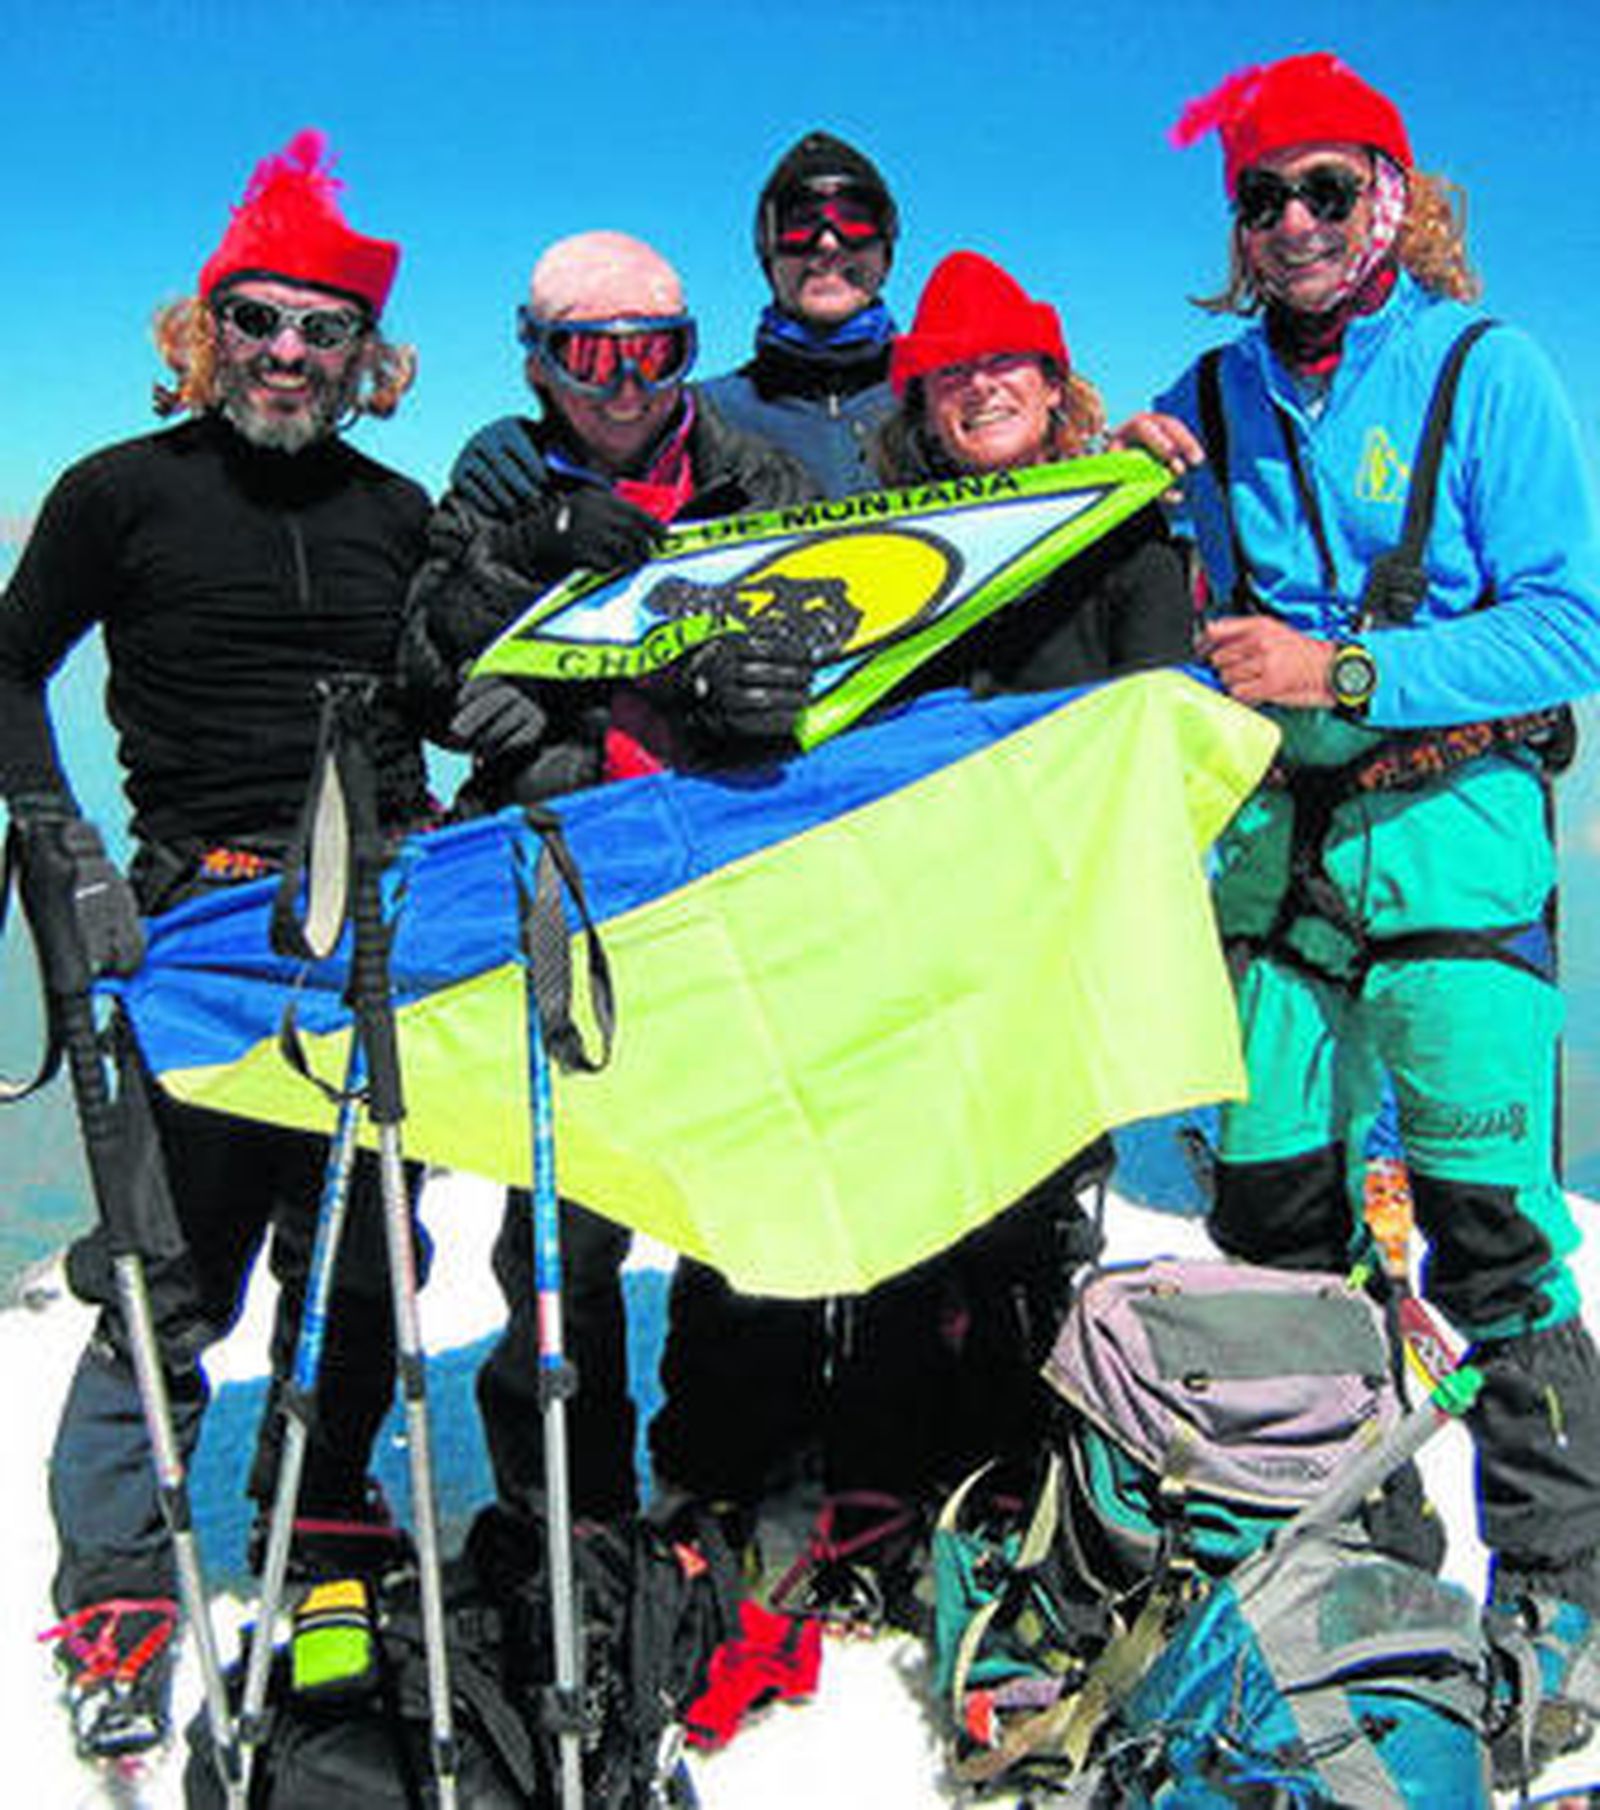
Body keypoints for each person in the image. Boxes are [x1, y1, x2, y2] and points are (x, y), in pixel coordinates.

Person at [1121, 51, 1600, 1782]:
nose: (1299, 222)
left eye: (1333, 187)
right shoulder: (1205, 396)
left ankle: (1560, 1591)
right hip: (1277, 865)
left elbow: (1570, 624)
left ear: (1395, 200)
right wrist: (1124, 480)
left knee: (1491, 1236)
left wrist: (1343, 670)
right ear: (1238, 227)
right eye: (1266, 196)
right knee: (1276, 1230)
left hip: (1455, 846)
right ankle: (1359, 1548)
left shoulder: (1487, 369)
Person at [648, 251, 1195, 1559]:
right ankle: (879, 1489)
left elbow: (1167, 732)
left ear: (1055, 384)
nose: (981, 385)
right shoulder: (886, 551)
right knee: (902, 1208)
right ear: (922, 400)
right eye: (953, 370)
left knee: (1025, 1218)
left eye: (1008, 362)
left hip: (1052, 928)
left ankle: (1001, 1478)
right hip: (906, 926)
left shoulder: (1128, 534)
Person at [0, 130, 433, 1761]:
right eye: (257, 319)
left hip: (381, 911)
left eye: (324, 329)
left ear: (363, 354)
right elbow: (7, 663)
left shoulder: (398, 512)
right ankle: (119, 1586)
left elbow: (445, 692)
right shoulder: (120, 493)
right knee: (168, 1270)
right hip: (199, 919)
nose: (287, 353)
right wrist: (60, 838)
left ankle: (320, 1517)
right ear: (208, 329)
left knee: (368, 1257)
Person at [400, 229, 814, 1531]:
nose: (626, 383)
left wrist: (769, 700)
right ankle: (564, 1518)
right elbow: (428, 671)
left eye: (656, 349)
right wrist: (523, 558)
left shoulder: (758, 478)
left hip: (723, 872)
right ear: (537, 359)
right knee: (560, 1230)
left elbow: (842, 645)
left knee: (735, 1201)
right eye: (590, 352)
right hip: (564, 880)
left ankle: (717, 1485)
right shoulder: (499, 481)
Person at [695, 129, 901, 498]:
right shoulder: (704, 417)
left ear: (885, 256)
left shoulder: (944, 401)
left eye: (854, 221)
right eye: (800, 226)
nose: (828, 243)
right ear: (769, 257)